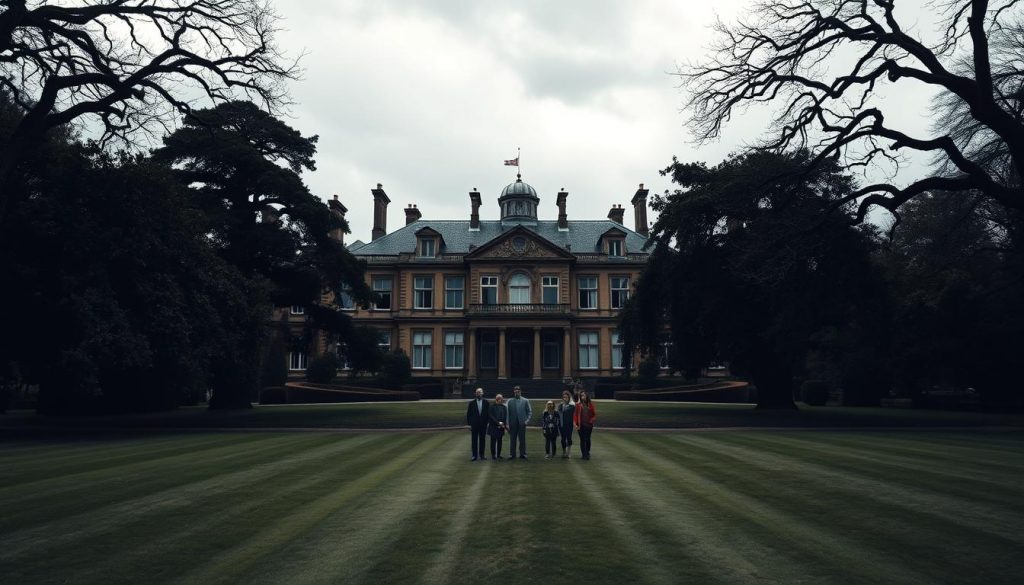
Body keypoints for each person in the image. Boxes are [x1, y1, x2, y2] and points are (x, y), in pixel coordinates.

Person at [506, 385, 532, 459]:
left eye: (518, 391)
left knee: (522, 439)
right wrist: (507, 423)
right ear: (514, 392)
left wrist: (526, 421)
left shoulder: (525, 401)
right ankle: (512, 454)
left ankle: (523, 454)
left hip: (522, 423)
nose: (517, 393)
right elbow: (507, 413)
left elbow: (529, 412)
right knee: (512, 439)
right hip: (512, 423)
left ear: (520, 392)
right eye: (515, 391)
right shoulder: (509, 401)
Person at [465, 387, 490, 461]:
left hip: (483, 424)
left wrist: (488, 423)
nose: (478, 393)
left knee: (482, 440)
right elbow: (468, 414)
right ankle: (474, 456)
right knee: (474, 440)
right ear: (475, 394)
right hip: (474, 425)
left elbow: (488, 414)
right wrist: (469, 424)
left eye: (480, 392)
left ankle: (482, 455)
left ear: (482, 393)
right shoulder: (471, 403)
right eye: (477, 392)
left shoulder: (486, 403)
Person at [573, 389, 596, 460]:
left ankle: (587, 452)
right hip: (581, 425)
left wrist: (591, 420)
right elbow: (575, 415)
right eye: (581, 395)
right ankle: (584, 454)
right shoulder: (578, 405)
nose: (582, 396)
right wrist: (575, 424)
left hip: (589, 425)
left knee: (588, 439)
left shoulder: (590, 404)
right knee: (582, 440)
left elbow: (594, 415)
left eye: (583, 395)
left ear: (586, 396)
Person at [556, 389, 576, 458]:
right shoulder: (560, 405)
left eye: (566, 397)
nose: (565, 399)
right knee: (563, 439)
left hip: (569, 425)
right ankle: (564, 452)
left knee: (569, 438)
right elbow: (557, 414)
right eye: (564, 397)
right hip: (561, 425)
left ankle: (568, 453)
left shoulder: (572, 406)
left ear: (569, 398)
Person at [488, 393, 508, 460]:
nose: (502, 400)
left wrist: (503, 425)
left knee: (500, 441)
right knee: (493, 442)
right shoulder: (492, 406)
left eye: (502, 399)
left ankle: (499, 455)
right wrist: (498, 423)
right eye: (500, 399)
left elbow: (505, 417)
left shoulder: (504, 407)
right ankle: (493, 455)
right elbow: (491, 416)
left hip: (501, 427)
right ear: (497, 399)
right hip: (493, 426)